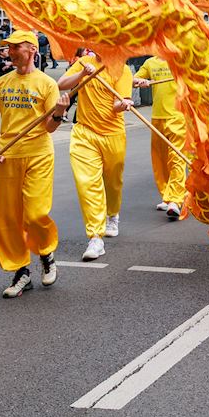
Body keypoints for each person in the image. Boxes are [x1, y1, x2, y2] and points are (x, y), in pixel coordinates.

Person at [0, 30, 65, 298]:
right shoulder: (0, 83)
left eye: (16, 47)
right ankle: (21, 272)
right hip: (8, 156)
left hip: (38, 154)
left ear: (32, 49)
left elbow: (50, 127)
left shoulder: (47, 84)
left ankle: (46, 253)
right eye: (8, 47)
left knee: (35, 214)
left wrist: (59, 113)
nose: (10, 52)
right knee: (7, 219)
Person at [58, 50, 134, 261]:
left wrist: (123, 104)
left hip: (112, 134)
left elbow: (117, 104)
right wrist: (82, 74)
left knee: (112, 182)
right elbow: (62, 84)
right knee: (88, 184)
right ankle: (95, 237)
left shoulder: (122, 69)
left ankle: (113, 214)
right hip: (84, 132)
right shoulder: (84, 62)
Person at [133, 54, 191, 217]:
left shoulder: (180, 60)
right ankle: (167, 195)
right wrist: (140, 81)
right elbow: (133, 79)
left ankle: (175, 200)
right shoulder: (150, 62)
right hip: (157, 116)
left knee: (176, 157)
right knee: (160, 159)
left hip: (178, 116)